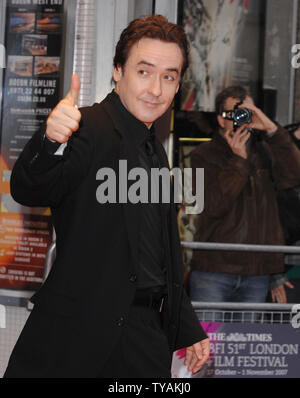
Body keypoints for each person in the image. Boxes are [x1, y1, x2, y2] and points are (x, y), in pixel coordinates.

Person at [4, 15, 209, 378]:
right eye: (144, 72)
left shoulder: (156, 151)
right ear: (117, 71)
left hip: (144, 337)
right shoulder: (87, 129)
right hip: (77, 337)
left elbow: (159, 253)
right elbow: (28, 188)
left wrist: (186, 326)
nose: (156, 90)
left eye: (169, 76)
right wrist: (50, 141)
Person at [189, 86, 300, 307]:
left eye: (247, 112)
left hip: (256, 273)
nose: (242, 118)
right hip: (214, 271)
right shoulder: (202, 156)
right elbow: (212, 206)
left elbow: (294, 175)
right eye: (235, 113)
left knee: (247, 339)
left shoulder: (265, 152)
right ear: (222, 120)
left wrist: (270, 127)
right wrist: (238, 162)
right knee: (208, 340)